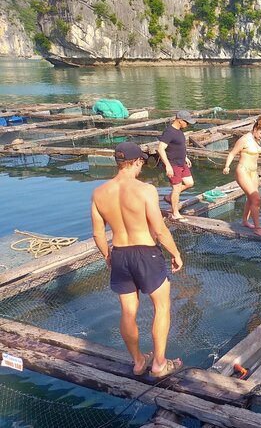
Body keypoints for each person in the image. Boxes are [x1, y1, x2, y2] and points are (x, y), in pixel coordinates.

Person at [91, 142, 184, 379]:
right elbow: (160, 229)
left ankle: (138, 362)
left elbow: (98, 234)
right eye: (142, 162)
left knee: (128, 312)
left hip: (120, 253)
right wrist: (176, 253)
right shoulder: (145, 190)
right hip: (146, 253)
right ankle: (160, 364)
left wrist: (108, 256)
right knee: (161, 307)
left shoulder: (99, 192)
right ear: (137, 162)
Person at [223, 116, 261, 237]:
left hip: (253, 172)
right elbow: (232, 153)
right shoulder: (244, 140)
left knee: (251, 198)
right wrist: (227, 166)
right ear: (255, 128)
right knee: (256, 199)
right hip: (243, 171)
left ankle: (245, 221)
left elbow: (257, 152)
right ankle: (257, 228)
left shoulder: (257, 139)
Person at [157, 110, 196, 222]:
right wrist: (168, 166)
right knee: (176, 187)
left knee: (189, 183)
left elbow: (179, 146)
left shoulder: (179, 131)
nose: (188, 125)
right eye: (186, 122)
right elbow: (160, 149)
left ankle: (169, 197)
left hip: (181, 162)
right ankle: (175, 213)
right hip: (173, 164)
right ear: (179, 120)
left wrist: (185, 157)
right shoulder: (169, 132)